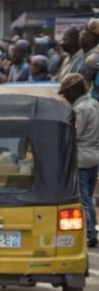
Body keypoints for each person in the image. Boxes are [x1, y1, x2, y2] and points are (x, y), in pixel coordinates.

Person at [60, 74, 99, 248]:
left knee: (83, 199)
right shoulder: (94, 104)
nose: (65, 96)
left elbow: (76, 134)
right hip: (94, 156)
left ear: (74, 90)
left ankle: (91, 232)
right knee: (88, 196)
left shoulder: (81, 109)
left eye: (66, 92)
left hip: (82, 157)